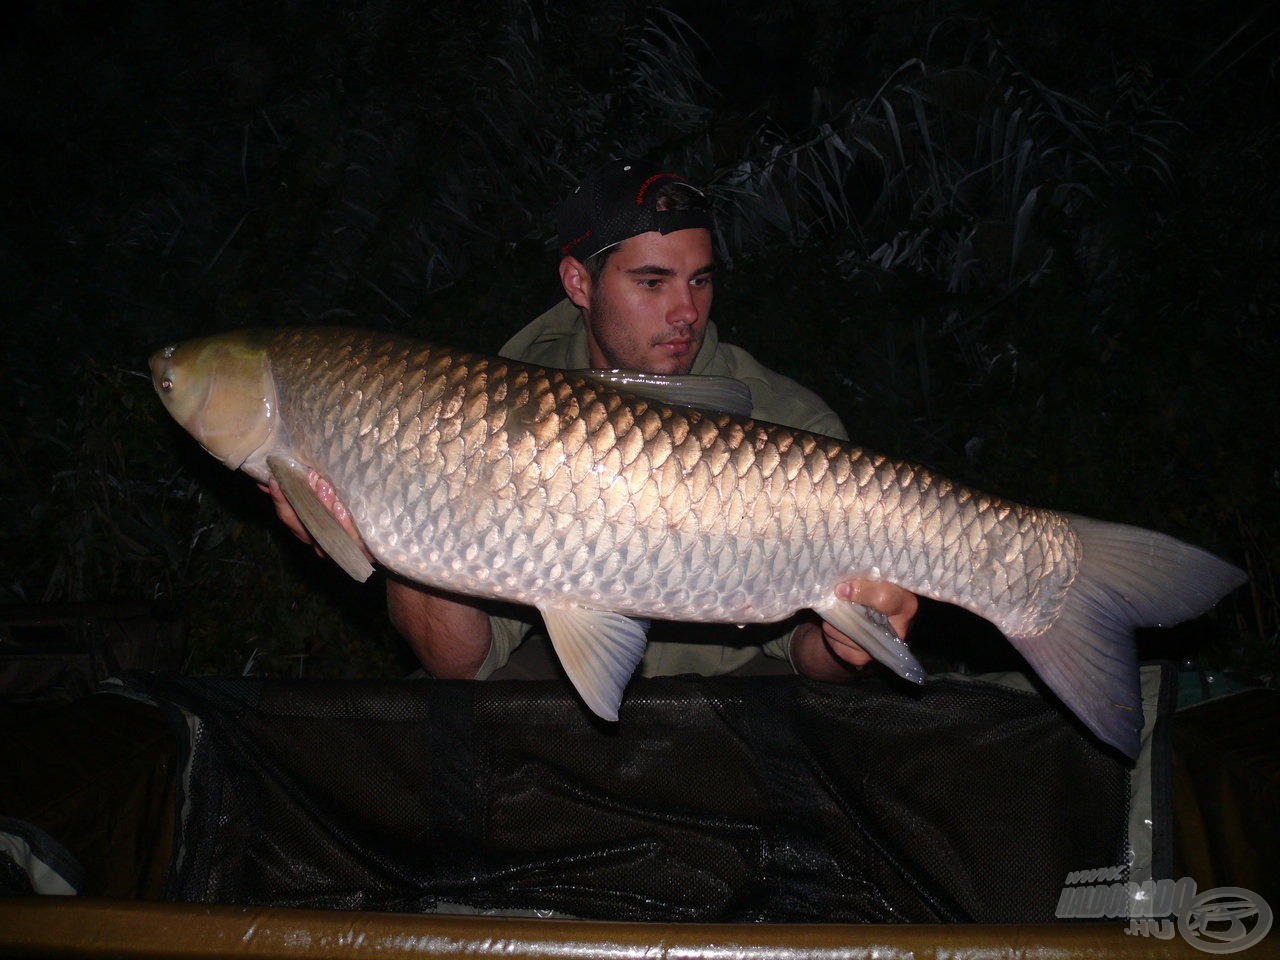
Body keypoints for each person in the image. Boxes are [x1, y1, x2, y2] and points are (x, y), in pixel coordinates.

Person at [266, 159, 917, 684]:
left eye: (700, 281)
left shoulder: (789, 426)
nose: (687, 311)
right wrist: (396, 522)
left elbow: (808, 658)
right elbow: (458, 664)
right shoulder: (490, 409)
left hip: (741, 690)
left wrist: (845, 643)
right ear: (579, 284)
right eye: (653, 282)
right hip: (568, 676)